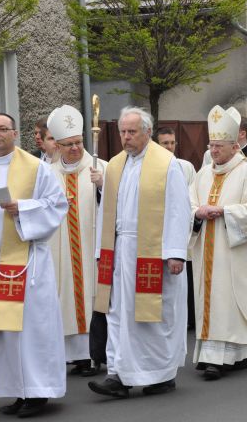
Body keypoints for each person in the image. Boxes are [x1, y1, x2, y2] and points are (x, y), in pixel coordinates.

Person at [88, 107, 191, 398]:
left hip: (152, 251)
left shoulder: (166, 164)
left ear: (147, 131)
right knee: (118, 311)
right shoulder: (117, 165)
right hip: (120, 249)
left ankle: (160, 374)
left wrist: (174, 252)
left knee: (153, 315)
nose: (126, 137)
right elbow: (105, 211)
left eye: (132, 131)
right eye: (122, 131)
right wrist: (101, 250)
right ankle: (118, 374)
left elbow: (178, 209)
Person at [0, 112, 68, 417]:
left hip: (28, 259)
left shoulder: (37, 168)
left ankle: (38, 392)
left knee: (32, 329)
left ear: (15, 134)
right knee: (4, 332)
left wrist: (22, 209)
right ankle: (15, 390)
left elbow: (57, 205)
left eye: (3, 129)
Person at [190, 105, 247, 380]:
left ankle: (222, 358)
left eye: (219, 146)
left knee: (230, 301)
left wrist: (224, 212)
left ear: (234, 145)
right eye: (211, 145)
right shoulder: (203, 173)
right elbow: (189, 201)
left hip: (235, 251)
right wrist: (197, 212)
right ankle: (234, 352)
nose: (213, 151)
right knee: (211, 300)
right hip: (206, 246)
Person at [47, 105, 107, 376]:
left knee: (93, 296)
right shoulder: (46, 174)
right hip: (59, 249)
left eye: (79, 142)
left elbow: (116, 207)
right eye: (69, 144)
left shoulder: (99, 168)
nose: (75, 148)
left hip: (90, 248)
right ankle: (75, 356)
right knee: (65, 299)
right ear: (57, 145)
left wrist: (103, 187)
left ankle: (96, 354)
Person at [155, 126, 197, 330]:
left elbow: (192, 194)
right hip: (157, 228)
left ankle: (189, 316)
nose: (169, 147)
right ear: (157, 144)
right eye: (165, 143)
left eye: (172, 143)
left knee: (184, 272)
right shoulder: (151, 167)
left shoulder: (185, 166)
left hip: (182, 224)